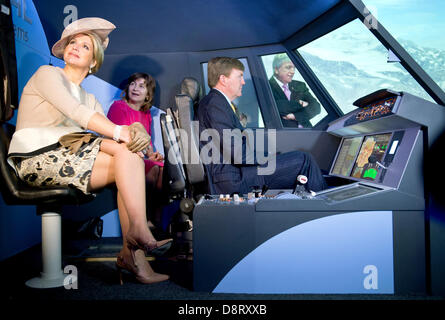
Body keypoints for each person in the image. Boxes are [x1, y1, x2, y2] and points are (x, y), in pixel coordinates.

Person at [7, 18, 171, 284]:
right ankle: (139, 235)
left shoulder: (90, 98)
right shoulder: (48, 74)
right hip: (35, 161)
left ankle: (135, 255)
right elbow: (79, 115)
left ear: (94, 61)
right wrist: (122, 132)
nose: (75, 47)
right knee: (123, 146)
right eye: (73, 43)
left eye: (85, 46)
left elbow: (107, 128)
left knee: (128, 155)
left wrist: (136, 133)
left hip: (67, 159)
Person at [197, 57, 327, 195]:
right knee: (303, 160)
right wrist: (267, 158)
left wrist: (268, 155)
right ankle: (329, 208)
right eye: (239, 76)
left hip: (237, 172)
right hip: (233, 178)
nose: (242, 81)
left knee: (297, 160)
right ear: (223, 79)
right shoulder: (215, 104)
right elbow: (237, 153)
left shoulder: (219, 103)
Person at [107, 72, 164, 227]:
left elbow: (147, 142)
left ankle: (156, 221)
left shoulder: (146, 114)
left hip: (140, 157)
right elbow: (116, 138)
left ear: (148, 95)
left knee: (162, 168)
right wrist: (148, 159)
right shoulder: (118, 106)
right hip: (121, 158)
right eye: (133, 84)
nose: (135, 88)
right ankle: (143, 221)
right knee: (153, 168)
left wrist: (153, 155)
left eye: (141, 86)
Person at [269, 53, 321, 128]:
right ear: (276, 69)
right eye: (288, 67)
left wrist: (296, 116)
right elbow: (277, 107)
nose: (293, 71)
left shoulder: (300, 85)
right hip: (285, 135)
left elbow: (316, 107)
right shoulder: (267, 86)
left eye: (294, 68)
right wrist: (301, 104)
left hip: (308, 132)